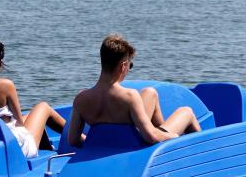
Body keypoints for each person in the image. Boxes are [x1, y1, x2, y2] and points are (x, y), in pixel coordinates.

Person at [65, 34, 201, 147]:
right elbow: (150, 137)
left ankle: (164, 129)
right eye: (130, 65)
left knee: (150, 92)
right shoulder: (129, 96)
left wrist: (99, 144)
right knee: (186, 112)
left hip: (111, 145)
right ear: (123, 66)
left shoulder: (81, 99)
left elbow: (73, 140)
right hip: (136, 145)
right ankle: (203, 152)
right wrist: (174, 136)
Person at [0, 38, 66, 158]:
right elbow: (19, 123)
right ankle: (80, 138)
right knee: (43, 107)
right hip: (12, 147)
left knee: (29, 116)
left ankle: (48, 147)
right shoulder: (5, 85)